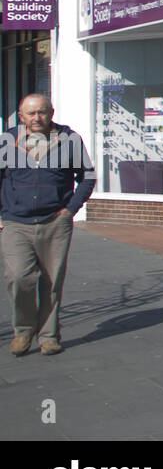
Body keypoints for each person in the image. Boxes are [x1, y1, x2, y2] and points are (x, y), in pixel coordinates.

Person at [0, 94, 96, 356]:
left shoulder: (69, 140)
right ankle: (23, 331)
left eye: (42, 112)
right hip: (15, 222)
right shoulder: (7, 141)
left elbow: (87, 177)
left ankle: (49, 336)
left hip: (55, 221)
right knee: (19, 278)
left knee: (52, 282)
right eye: (30, 114)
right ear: (21, 116)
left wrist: (69, 211)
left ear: (51, 112)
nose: (36, 118)